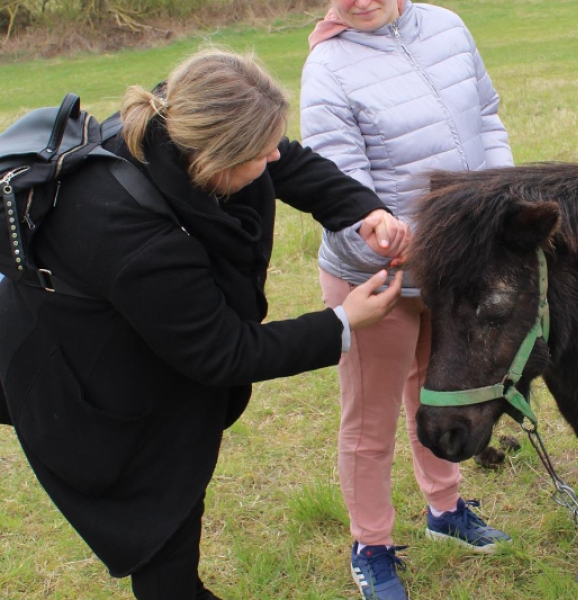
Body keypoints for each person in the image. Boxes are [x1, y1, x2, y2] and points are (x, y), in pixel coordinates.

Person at [0, 47, 410, 600]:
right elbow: (223, 353)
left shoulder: (178, 124)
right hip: (92, 386)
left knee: (177, 486)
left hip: (146, 343)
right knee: (158, 516)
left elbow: (286, 160)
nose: (273, 155)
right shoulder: (135, 237)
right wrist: (343, 321)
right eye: (259, 152)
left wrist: (364, 211)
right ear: (217, 160)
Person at [301, 1, 514, 598]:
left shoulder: (447, 24)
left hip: (455, 266)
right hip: (378, 278)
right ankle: (371, 545)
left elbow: (487, 118)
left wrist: (496, 206)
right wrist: (385, 235)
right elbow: (335, 183)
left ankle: (445, 511)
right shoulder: (328, 66)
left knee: (436, 390)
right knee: (369, 425)